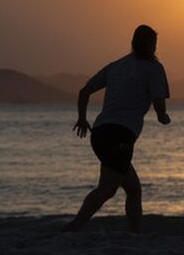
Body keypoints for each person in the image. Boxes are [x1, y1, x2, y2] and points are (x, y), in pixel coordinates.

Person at [64, 25, 171, 233]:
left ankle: (135, 234)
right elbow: (160, 107)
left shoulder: (117, 66)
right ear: (152, 46)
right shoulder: (153, 68)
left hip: (100, 133)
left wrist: (82, 118)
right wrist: (163, 117)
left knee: (132, 189)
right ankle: (73, 227)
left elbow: (85, 91)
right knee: (107, 189)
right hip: (119, 135)